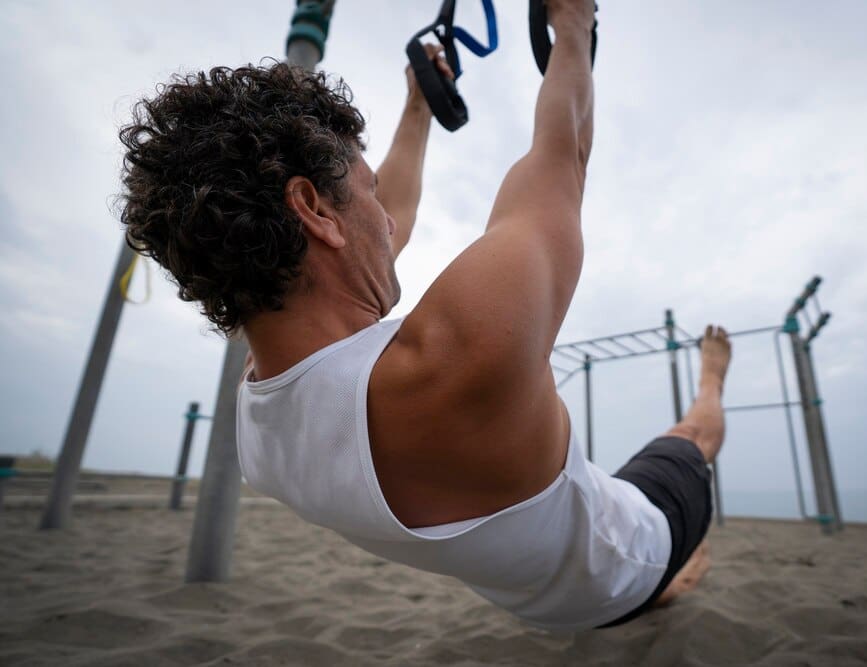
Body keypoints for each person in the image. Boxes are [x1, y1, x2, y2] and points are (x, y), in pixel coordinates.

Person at [119, 0, 730, 631]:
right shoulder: (463, 354)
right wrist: (573, 27)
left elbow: (392, 217)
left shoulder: (259, 437)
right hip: (639, 549)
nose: (388, 220)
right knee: (692, 438)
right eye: (366, 192)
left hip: (542, 605)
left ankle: (655, 592)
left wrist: (419, 106)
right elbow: (563, 154)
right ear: (315, 211)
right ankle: (712, 380)